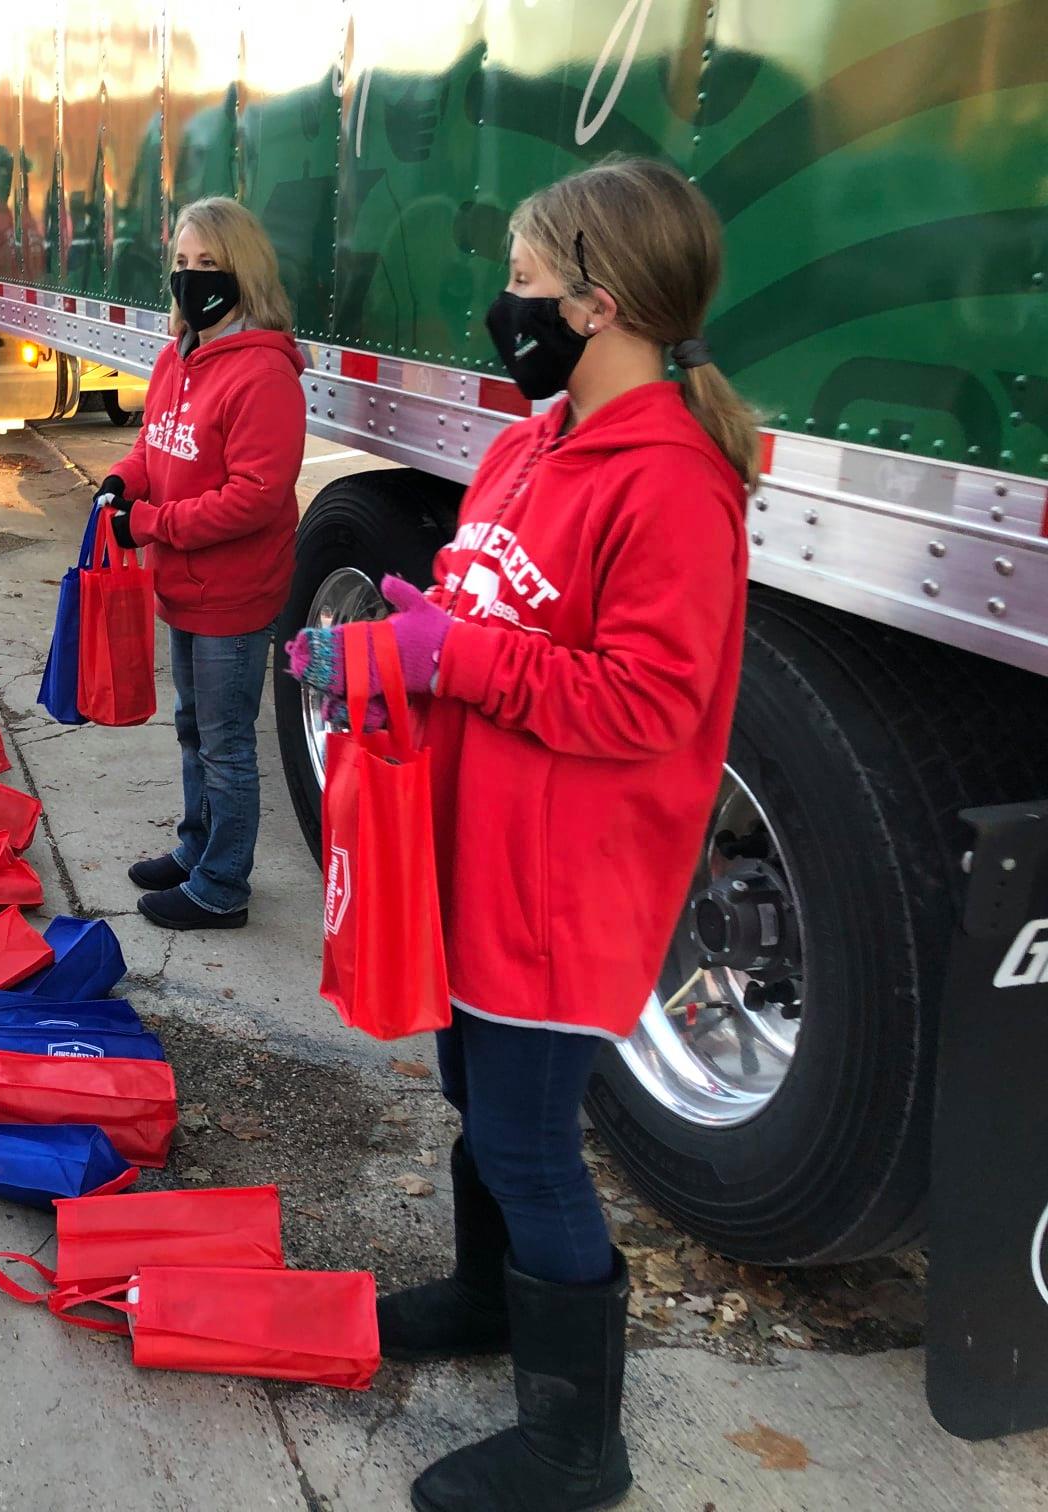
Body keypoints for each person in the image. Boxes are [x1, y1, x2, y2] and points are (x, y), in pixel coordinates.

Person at [290, 156, 758, 1511]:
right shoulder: (524, 444)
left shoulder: (670, 481)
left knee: (530, 1139)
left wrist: (459, 661)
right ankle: (489, 1303)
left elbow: (648, 703)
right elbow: (489, 609)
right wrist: (405, 624)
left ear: (601, 305)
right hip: (470, 852)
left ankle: (576, 1448)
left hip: (567, 880)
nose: (507, 306)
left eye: (525, 283)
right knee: (472, 1106)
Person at [95, 197, 307, 931]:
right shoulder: (176, 357)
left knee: (225, 743)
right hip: (183, 587)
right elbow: (156, 447)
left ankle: (223, 885)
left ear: (241, 272)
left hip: (233, 595)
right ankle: (198, 847)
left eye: (208, 265)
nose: (191, 278)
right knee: (193, 728)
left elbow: (253, 497)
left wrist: (149, 524)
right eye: (182, 264)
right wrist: (124, 479)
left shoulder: (263, 375)